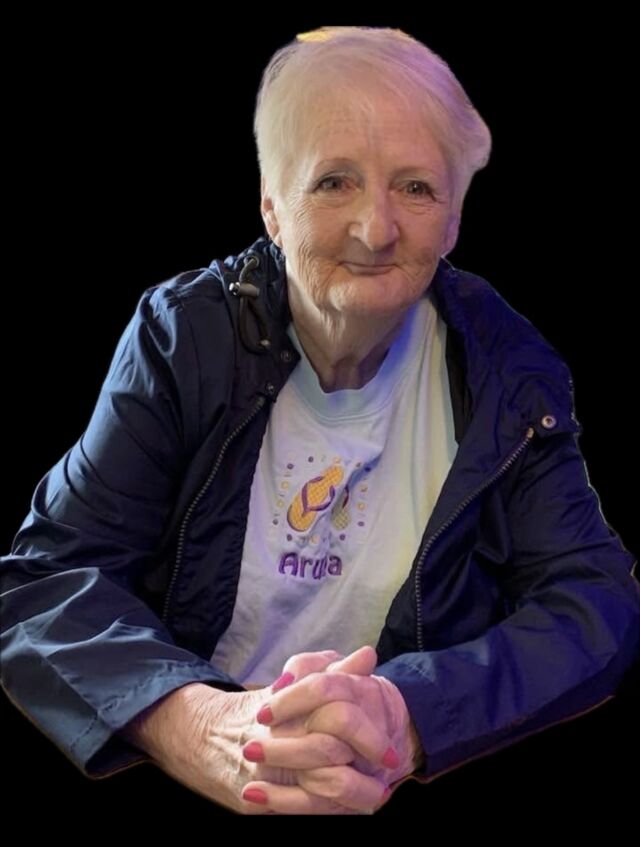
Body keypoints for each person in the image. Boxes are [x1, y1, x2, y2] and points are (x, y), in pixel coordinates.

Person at [1, 25, 638, 816]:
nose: (376, 229)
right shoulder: (183, 339)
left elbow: (592, 602)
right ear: (272, 207)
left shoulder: (508, 367)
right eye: (335, 182)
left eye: (416, 187)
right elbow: (46, 583)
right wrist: (202, 723)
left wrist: (406, 713)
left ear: (453, 220)